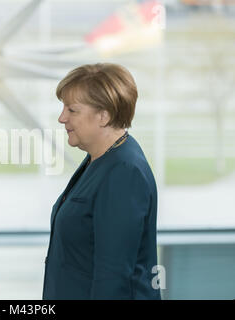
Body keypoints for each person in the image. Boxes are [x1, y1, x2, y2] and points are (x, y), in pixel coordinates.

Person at [42, 63, 162, 300]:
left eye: (72, 110)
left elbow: (113, 276)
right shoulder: (100, 159)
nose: (61, 117)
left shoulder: (124, 171)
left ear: (104, 115)